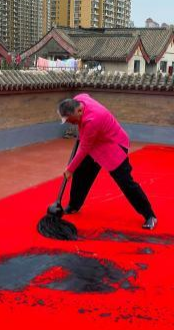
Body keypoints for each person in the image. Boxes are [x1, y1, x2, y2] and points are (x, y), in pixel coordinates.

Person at [58, 94, 157, 230]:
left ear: (79, 111)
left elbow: (84, 148)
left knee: (126, 183)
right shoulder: (79, 99)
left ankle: (150, 215)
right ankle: (74, 205)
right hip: (95, 144)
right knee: (81, 173)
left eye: (70, 119)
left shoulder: (93, 120)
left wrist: (70, 169)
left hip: (113, 146)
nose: (69, 123)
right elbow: (85, 96)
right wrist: (74, 168)